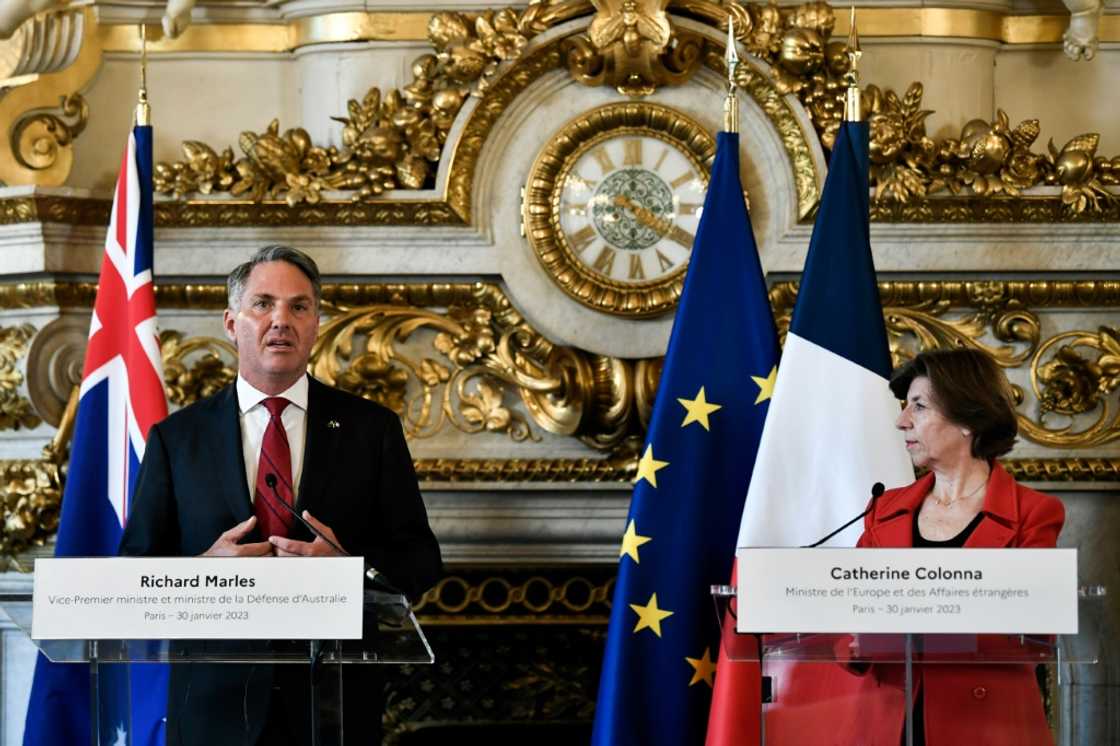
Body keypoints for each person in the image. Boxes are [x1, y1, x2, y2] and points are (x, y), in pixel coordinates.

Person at [119, 245, 442, 745]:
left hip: (331, 705)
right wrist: (201, 572)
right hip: (214, 710)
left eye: (299, 307)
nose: (281, 321)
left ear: (316, 324)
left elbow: (421, 562)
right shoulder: (177, 439)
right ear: (232, 323)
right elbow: (134, 575)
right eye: (263, 304)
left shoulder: (371, 430)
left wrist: (347, 567)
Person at [853, 347, 1064, 745]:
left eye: (918, 406)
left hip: (986, 726)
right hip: (891, 725)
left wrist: (911, 634)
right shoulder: (884, 509)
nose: (901, 421)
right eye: (905, 406)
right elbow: (848, 613)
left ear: (967, 419)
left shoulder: (1033, 513)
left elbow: (1034, 635)